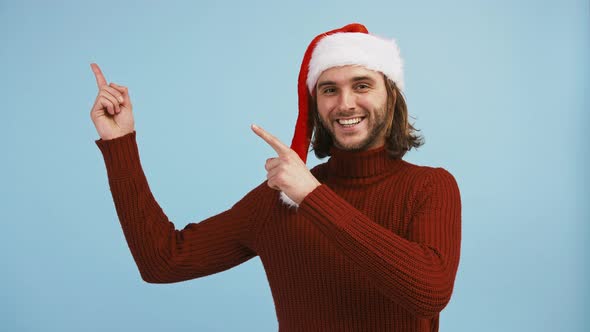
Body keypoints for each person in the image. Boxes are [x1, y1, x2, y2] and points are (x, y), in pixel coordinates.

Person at [91, 23, 461, 331]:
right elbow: (162, 260)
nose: (345, 103)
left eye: (362, 85)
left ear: (391, 97)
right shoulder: (281, 199)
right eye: (329, 90)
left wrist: (313, 198)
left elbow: (427, 291)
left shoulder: (430, 187)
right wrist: (120, 143)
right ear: (316, 104)